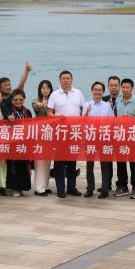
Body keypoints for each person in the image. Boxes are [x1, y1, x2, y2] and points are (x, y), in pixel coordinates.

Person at [47, 70, 85, 198]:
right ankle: (60, 188)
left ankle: (71, 187)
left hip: (74, 132)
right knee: (58, 162)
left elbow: (82, 110)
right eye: (63, 78)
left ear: (72, 80)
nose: (65, 80)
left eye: (68, 78)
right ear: (60, 80)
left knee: (72, 161)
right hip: (60, 132)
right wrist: (57, 118)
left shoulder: (78, 93)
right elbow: (49, 113)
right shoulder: (54, 94)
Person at [82, 81, 115, 199]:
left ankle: (105, 189)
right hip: (90, 137)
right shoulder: (86, 104)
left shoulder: (107, 106)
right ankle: (90, 188)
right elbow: (81, 122)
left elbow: (112, 122)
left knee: (105, 164)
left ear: (103, 92)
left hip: (103, 138)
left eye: (100, 90)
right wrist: (86, 112)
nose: (97, 91)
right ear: (92, 91)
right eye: (95, 89)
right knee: (89, 164)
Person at [114, 78, 135, 199]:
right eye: (124, 87)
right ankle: (123, 185)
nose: (125, 90)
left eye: (128, 87)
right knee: (121, 163)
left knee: (134, 163)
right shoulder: (118, 100)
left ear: (132, 88)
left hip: (133, 136)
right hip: (121, 136)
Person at [6, 89, 33, 197]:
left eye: (20, 99)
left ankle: (21, 188)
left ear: (24, 100)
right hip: (12, 143)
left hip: (24, 142)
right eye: (16, 99)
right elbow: (5, 120)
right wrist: (9, 118)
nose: (18, 101)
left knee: (23, 166)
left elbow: (32, 126)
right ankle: (14, 188)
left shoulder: (27, 111)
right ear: (12, 101)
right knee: (13, 166)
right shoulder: (9, 111)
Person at [31, 79, 53, 196]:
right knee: (39, 162)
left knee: (48, 162)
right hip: (39, 135)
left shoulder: (53, 100)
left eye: (47, 87)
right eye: (43, 88)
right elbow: (36, 106)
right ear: (40, 90)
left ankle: (45, 186)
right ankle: (39, 189)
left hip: (50, 135)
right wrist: (43, 104)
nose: (45, 90)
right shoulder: (35, 101)